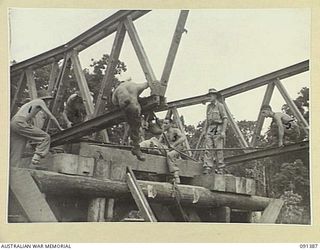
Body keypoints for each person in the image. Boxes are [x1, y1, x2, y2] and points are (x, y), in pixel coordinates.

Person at [10, 91, 64, 167]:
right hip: (20, 122)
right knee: (45, 137)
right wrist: (60, 128)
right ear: (45, 99)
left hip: (13, 123)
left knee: (18, 148)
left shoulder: (29, 104)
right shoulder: (40, 101)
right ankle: (36, 158)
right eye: (48, 100)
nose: (48, 103)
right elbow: (51, 117)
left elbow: (29, 120)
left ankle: (13, 168)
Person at [112, 79, 154, 161]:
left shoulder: (118, 91)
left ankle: (150, 122)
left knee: (147, 103)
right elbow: (148, 84)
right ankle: (136, 147)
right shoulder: (134, 86)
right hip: (128, 106)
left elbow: (115, 103)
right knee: (135, 124)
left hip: (127, 104)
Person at [202, 88, 228, 175]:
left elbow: (225, 118)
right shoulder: (208, 107)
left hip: (218, 127)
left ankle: (220, 168)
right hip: (210, 127)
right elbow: (207, 119)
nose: (209, 97)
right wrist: (204, 131)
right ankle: (207, 167)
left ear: (215, 96)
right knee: (208, 147)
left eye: (211, 95)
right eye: (209, 95)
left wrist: (223, 131)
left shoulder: (220, 105)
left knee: (218, 148)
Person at [159, 118, 187, 184]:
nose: (164, 125)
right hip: (169, 150)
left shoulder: (175, 131)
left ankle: (176, 176)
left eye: (166, 123)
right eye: (163, 123)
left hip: (178, 149)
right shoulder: (164, 134)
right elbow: (158, 142)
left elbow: (183, 138)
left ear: (171, 124)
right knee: (153, 141)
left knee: (170, 155)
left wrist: (174, 145)